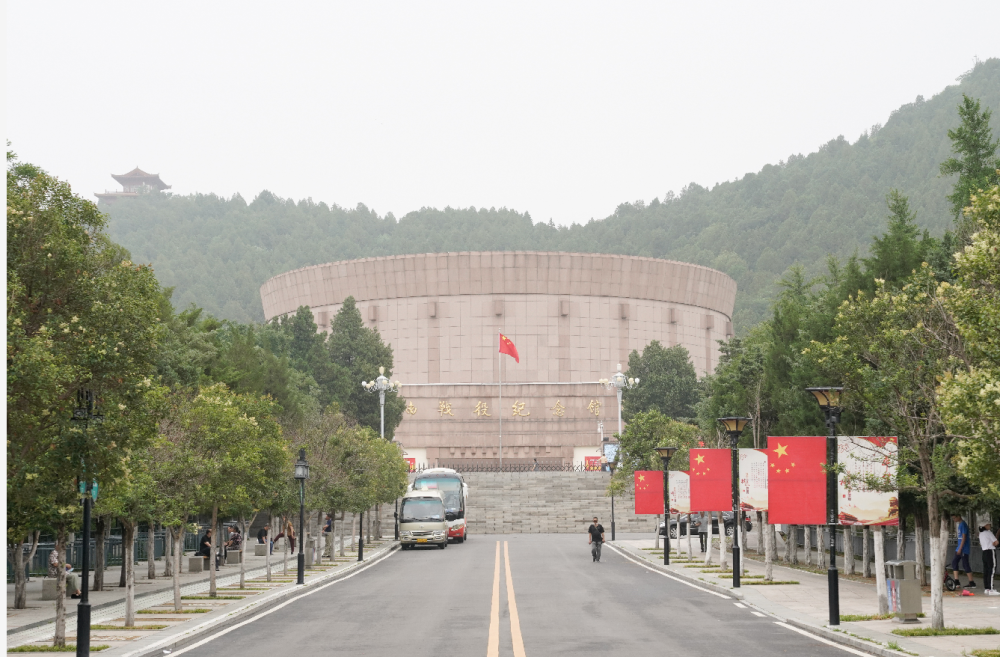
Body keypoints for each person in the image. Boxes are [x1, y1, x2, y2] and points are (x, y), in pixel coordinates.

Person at [952, 515, 976, 589]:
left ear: (959, 516)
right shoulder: (959, 524)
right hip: (959, 548)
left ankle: (971, 582)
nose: (954, 519)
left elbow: (964, 537)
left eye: (954, 517)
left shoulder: (963, 525)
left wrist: (960, 548)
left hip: (963, 549)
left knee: (965, 564)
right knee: (954, 562)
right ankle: (956, 581)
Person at [979, 522, 998, 595]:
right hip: (990, 551)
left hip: (984, 552)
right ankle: (991, 588)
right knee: (992, 569)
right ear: (985, 526)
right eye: (988, 525)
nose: (990, 526)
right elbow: (996, 542)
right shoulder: (989, 533)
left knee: (986, 569)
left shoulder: (981, 534)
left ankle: (986, 588)